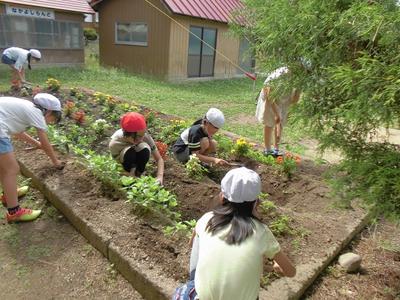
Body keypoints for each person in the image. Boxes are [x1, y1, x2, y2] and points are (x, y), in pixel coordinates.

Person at [173, 167, 296, 300]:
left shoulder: (207, 218)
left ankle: (194, 286)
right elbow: (291, 272)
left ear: (222, 197)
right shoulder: (261, 231)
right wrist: (277, 267)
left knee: (198, 235)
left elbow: (191, 245)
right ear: (256, 203)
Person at [0, 93, 64, 222]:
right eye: (53, 118)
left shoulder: (27, 107)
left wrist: (38, 145)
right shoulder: (36, 112)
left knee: (5, 168)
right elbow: (44, 139)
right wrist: (56, 161)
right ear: (49, 111)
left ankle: (9, 195)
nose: (50, 122)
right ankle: (14, 212)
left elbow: (19, 132)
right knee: (12, 169)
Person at [255, 67, 301, 157]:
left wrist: (283, 113)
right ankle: (267, 150)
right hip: (270, 96)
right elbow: (269, 95)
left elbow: (294, 99)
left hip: (284, 96)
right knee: (270, 122)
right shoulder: (279, 75)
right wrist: (276, 113)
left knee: (281, 122)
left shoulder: (300, 78)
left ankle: (276, 149)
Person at [109, 112, 164, 185]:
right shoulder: (115, 143)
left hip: (136, 169)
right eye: (137, 137)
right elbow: (116, 168)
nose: (141, 139)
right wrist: (130, 176)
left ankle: (139, 172)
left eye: (143, 135)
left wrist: (159, 177)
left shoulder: (144, 136)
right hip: (125, 168)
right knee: (129, 152)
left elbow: (159, 159)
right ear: (127, 135)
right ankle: (132, 174)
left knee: (144, 148)